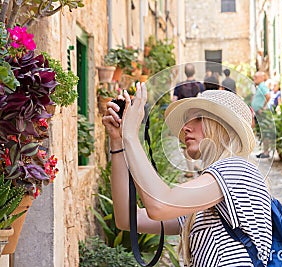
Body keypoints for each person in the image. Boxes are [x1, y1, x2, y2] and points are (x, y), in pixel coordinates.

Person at [102, 85, 273, 266]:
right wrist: (118, 140)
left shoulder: (237, 170)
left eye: (198, 118)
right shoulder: (206, 202)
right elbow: (128, 219)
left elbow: (159, 205)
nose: (185, 127)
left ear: (223, 126)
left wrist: (130, 135)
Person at [251, 71, 271, 159]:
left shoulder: (262, 86)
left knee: (264, 131)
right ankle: (264, 151)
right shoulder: (259, 86)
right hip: (258, 113)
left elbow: (268, 96)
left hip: (261, 113)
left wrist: (263, 107)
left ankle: (266, 152)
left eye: (256, 77)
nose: (254, 78)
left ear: (262, 78)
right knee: (262, 132)